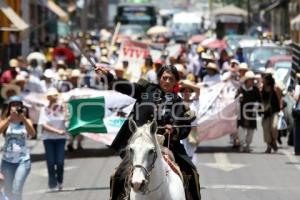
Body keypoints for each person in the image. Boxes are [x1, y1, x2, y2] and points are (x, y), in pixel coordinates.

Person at [95, 65, 201, 200]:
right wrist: (109, 76)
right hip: (141, 144)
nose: (167, 81)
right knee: (118, 175)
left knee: (192, 172)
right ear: (159, 79)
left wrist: (174, 129)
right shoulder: (146, 89)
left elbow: (183, 127)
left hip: (167, 146)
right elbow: (126, 86)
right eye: (164, 78)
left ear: (175, 82)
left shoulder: (178, 102)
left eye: (171, 79)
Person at [0, 95, 36, 200]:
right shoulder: (5, 120)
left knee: (16, 189)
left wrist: (23, 119)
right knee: (8, 190)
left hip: (23, 160)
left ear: (22, 107)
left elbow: (32, 134)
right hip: (7, 161)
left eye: (18, 105)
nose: (16, 107)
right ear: (9, 107)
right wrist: (9, 119)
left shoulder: (26, 120)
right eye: (13, 105)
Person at [38, 88, 68, 191]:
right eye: (50, 97)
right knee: (51, 162)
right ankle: (52, 183)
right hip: (48, 139)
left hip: (60, 139)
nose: (53, 98)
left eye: (54, 96)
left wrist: (65, 110)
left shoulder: (61, 107)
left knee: (60, 162)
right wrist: (57, 131)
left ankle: (60, 181)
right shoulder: (44, 109)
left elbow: (66, 120)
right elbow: (44, 125)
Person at [236, 71, 261, 152]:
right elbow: (235, 98)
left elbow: (259, 100)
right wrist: (239, 97)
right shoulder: (240, 89)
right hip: (241, 112)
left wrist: (255, 108)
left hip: (251, 112)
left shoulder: (255, 90)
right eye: (250, 79)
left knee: (251, 129)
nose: (252, 81)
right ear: (246, 80)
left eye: (252, 80)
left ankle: (248, 145)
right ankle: (242, 144)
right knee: (240, 128)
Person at [261, 74, 280, 153]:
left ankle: (273, 141)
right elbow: (261, 99)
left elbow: (279, 98)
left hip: (275, 110)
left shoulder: (275, 88)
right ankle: (269, 146)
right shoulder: (262, 89)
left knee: (274, 126)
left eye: (264, 79)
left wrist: (281, 108)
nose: (263, 80)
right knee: (266, 128)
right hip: (266, 112)